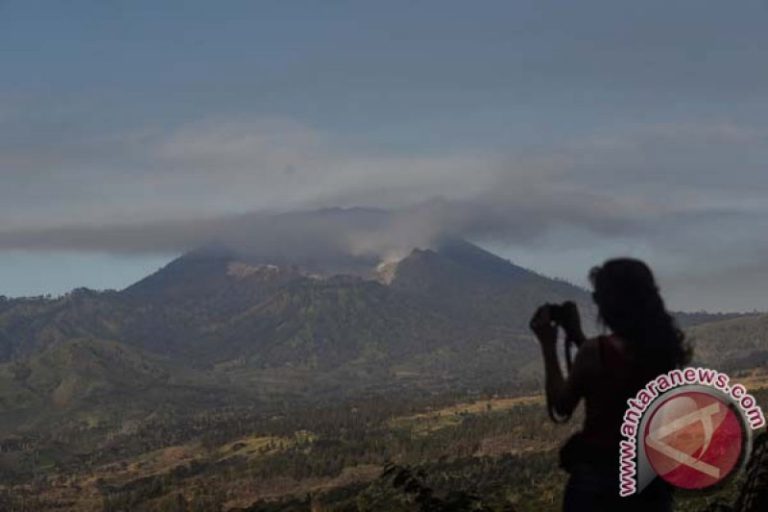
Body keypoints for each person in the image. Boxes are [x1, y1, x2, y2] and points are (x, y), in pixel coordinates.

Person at [529, 258, 690, 512]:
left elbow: (562, 406)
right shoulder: (665, 351)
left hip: (599, 478)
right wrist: (579, 337)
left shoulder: (595, 352)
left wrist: (549, 346)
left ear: (610, 303)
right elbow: (617, 375)